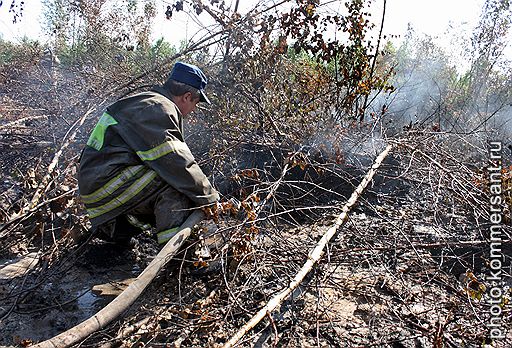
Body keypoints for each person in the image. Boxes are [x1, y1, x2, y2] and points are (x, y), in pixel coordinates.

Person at [78, 62, 220, 245]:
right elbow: (177, 163)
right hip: (105, 185)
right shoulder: (158, 107)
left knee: (175, 184)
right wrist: (210, 197)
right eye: (196, 103)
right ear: (187, 96)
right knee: (177, 186)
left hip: (100, 184)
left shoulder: (148, 102)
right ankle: (177, 258)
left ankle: (118, 234)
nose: (193, 110)